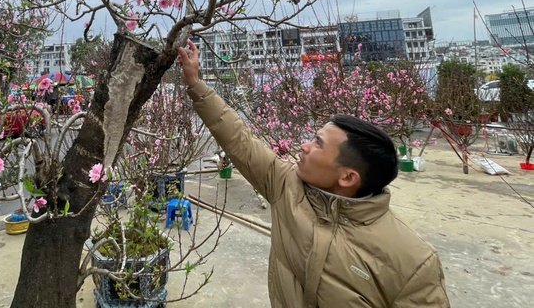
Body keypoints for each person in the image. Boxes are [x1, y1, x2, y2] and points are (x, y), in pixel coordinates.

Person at [177, 40, 450, 307]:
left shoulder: (413, 261)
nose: (304, 146)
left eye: (318, 143)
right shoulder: (286, 187)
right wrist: (195, 84)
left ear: (348, 178)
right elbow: (240, 140)